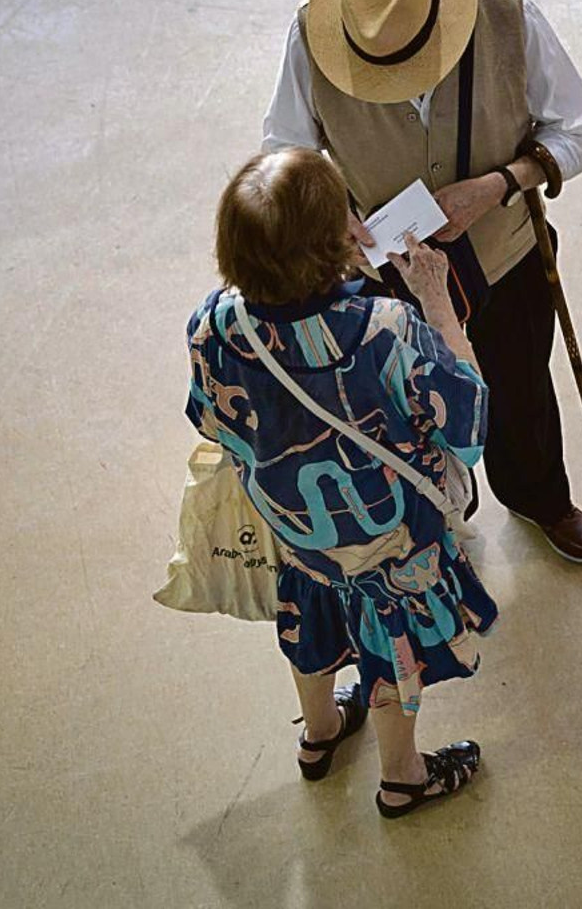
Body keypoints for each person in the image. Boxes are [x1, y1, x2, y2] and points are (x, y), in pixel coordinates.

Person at [262, 0, 582, 564]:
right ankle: (438, 511)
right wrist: (332, 215)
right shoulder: (312, 40)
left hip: (506, 250)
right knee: (403, 401)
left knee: (521, 382)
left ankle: (536, 494)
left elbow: (576, 127)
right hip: (389, 272)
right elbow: (285, 150)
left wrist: (500, 184)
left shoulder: (506, 13)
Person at [185, 147, 494, 817]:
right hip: (393, 547)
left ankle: (320, 732)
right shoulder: (385, 331)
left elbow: (209, 419)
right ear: (337, 242)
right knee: (391, 647)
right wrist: (437, 302)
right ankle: (403, 776)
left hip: (298, 536)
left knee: (312, 621)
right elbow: (468, 423)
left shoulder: (214, 325)